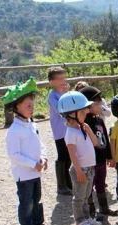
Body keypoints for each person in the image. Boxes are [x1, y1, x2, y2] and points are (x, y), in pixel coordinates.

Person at [3, 77, 54, 225]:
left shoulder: (32, 124)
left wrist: (44, 157)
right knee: (27, 201)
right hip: (24, 174)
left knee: (37, 199)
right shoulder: (14, 130)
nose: (31, 108)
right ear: (16, 106)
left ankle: (38, 224)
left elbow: (40, 145)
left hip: (35, 172)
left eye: (32, 105)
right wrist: (33, 163)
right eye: (28, 106)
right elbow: (14, 155)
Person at [57, 91, 102, 225]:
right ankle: (80, 222)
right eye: (83, 111)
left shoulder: (82, 128)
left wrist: (89, 131)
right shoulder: (70, 133)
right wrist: (78, 170)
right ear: (71, 114)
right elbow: (72, 154)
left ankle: (87, 217)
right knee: (79, 197)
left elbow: (96, 143)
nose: (87, 112)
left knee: (87, 195)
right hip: (80, 169)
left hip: (89, 168)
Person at [80, 86, 118, 220]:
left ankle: (104, 208)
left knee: (101, 183)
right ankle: (91, 212)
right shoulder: (83, 123)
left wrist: (109, 156)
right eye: (97, 103)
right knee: (89, 187)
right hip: (90, 161)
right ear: (88, 105)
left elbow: (105, 139)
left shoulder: (99, 120)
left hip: (101, 159)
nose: (100, 105)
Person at [48, 67, 72, 195]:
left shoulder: (65, 93)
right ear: (52, 82)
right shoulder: (52, 96)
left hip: (69, 130)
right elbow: (61, 110)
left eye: (64, 78)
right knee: (62, 156)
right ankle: (61, 185)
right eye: (60, 79)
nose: (63, 81)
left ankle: (69, 183)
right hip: (59, 132)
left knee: (69, 156)